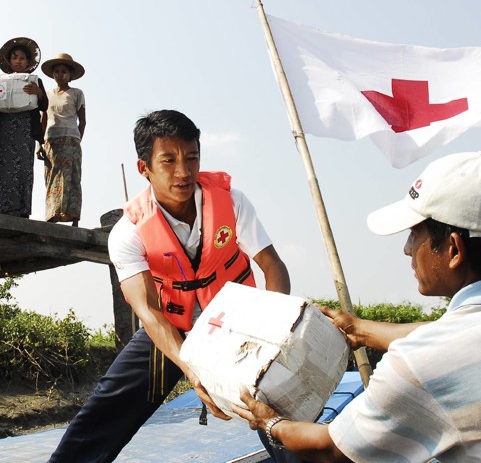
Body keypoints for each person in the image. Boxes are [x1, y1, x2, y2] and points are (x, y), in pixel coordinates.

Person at [233, 151, 481, 462]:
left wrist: (271, 422)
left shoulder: (422, 363)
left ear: (454, 249)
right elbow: (462, 335)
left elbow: (333, 450)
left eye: (414, 234)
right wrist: (358, 329)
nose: (407, 249)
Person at [48, 109, 291, 463]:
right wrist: (194, 372)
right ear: (143, 168)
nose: (184, 171)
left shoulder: (231, 202)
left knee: (279, 406)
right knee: (110, 402)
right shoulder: (127, 233)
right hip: (169, 326)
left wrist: (269, 339)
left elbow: (273, 267)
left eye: (192, 158)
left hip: (236, 326)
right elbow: (148, 311)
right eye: (169, 161)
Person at [0, 37, 48, 217]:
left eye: (22, 58)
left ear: (28, 62)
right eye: (15, 57)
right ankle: (2, 208)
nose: (18, 61)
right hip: (4, 130)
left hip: (25, 131)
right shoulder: (2, 81)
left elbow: (44, 106)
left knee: (23, 170)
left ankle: (22, 211)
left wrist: (39, 93)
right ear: (9, 61)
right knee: (3, 169)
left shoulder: (34, 81)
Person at [37, 53, 86, 226]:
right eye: (57, 71)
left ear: (70, 74)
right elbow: (43, 120)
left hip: (70, 139)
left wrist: (77, 139)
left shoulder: (76, 93)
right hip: (51, 139)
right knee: (52, 178)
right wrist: (39, 144)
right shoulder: (47, 94)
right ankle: (53, 215)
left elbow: (83, 121)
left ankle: (74, 218)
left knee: (71, 177)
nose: (60, 75)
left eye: (63, 71)